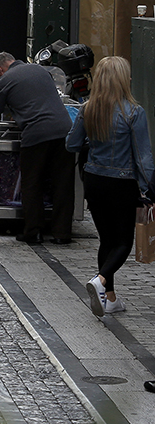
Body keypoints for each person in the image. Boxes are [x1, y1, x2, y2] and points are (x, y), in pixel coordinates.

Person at [65, 57, 154, 317]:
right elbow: (143, 157)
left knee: (106, 239)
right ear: (122, 79)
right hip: (122, 183)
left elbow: (71, 144)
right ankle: (101, 279)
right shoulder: (133, 112)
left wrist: (94, 144)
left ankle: (110, 298)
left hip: (93, 180)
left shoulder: (87, 109)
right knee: (123, 241)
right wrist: (149, 187)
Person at [0, 52, 76, 244]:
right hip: (64, 130)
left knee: (32, 183)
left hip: (36, 134)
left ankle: (33, 232)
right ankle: (62, 234)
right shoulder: (40, 69)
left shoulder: (4, 81)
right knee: (63, 184)